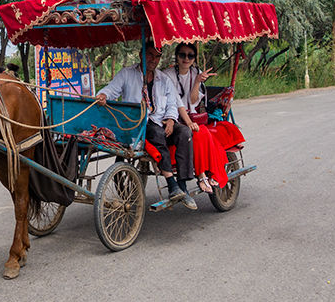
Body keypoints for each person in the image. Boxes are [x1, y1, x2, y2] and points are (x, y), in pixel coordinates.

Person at [96, 43, 197, 209]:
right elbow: (111, 90)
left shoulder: (163, 79)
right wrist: (103, 95)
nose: (153, 60)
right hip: (137, 123)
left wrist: (171, 120)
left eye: (157, 56)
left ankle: (183, 186)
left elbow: (172, 104)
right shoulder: (127, 74)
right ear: (141, 54)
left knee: (185, 132)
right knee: (156, 133)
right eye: (150, 55)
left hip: (160, 119)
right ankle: (171, 184)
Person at [167, 42, 245, 193]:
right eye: (182, 55)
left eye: (190, 56)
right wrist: (188, 122)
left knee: (202, 133)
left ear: (194, 59)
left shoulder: (196, 72)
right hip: (174, 117)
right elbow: (175, 102)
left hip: (191, 117)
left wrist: (196, 81)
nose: (186, 59)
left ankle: (204, 175)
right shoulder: (167, 75)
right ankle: (202, 175)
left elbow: (193, 100)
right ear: (176, 56)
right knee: (198, 133)